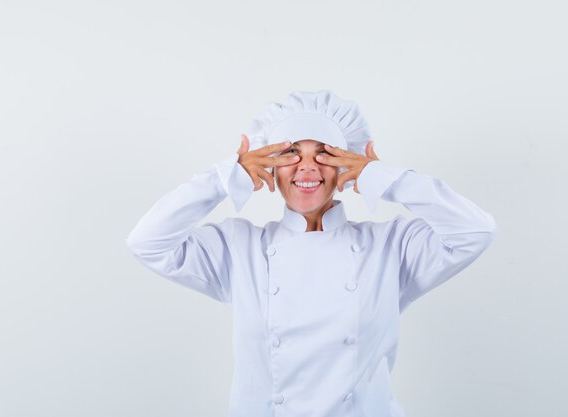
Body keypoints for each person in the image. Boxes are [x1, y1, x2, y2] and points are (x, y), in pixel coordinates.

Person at [125, 90, 497, 417]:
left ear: (345, 166)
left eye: (325, 153)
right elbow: (147, 242)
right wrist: (227, 177)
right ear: (269, 165)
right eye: (289, 153)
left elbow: (475, 231)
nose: (307, 166)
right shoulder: (238, 250)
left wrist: (383, 177)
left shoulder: (392, 248)